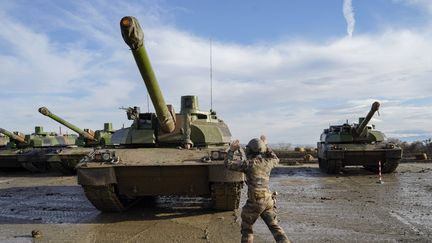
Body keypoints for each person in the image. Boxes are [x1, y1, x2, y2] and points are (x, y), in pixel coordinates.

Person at [225, 135, 290, 243]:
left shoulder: (248, 164)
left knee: (247, 229)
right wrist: (266, 145)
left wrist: (231, 150)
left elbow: (228, 164)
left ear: (249, 150)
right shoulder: (268, 162)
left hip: (255, 201)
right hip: (268, 200)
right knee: (275, 227)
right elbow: (276, 158)